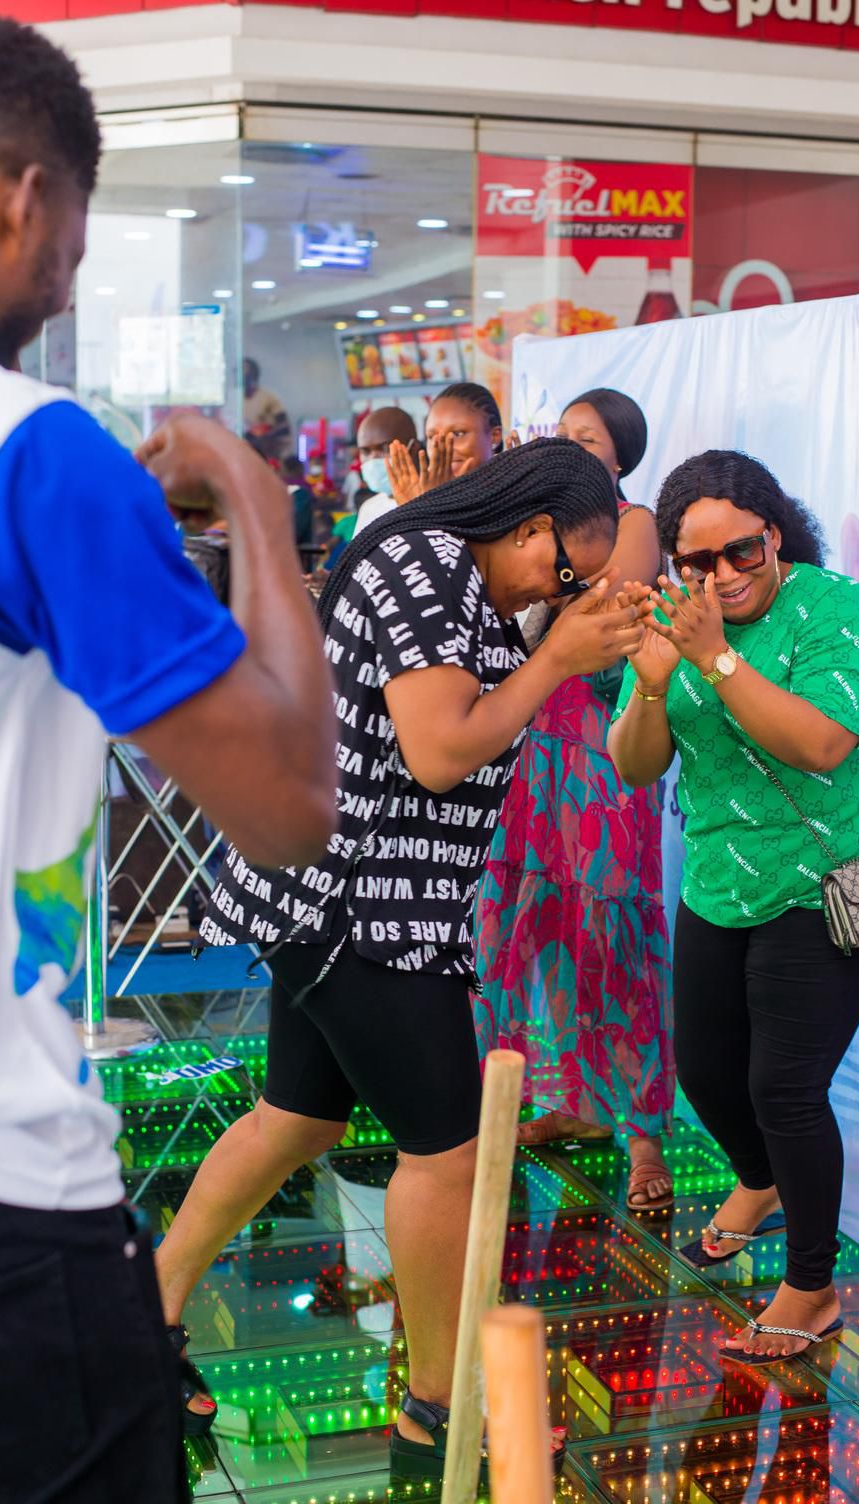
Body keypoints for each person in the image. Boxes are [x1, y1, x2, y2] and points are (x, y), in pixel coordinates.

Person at [0, 15, 337, 1501]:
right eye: (78, 225)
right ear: (28, 202)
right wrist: (251, 492)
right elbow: (290, 805)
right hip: (7, 1204)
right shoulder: (33, 454)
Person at [155, 438, 651, 1477]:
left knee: (295, 1118)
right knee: (449, 1152)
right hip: (361, 909)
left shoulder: (443, 565)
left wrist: (557, 640)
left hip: (335, 896)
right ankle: (436, 1396)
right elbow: (437, 749)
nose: (562, 593)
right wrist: (556, 656)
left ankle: (146, 1309)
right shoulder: (426, 566)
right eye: (565, 572)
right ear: (528, 528)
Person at [608, 449, 859, 1363]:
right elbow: (634, 763)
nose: (721, 577)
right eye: (696, 563)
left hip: (852, 877)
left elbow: (821, 744)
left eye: (740, 552)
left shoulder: (836, 607)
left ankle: (811, 1290)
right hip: (722, 881)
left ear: (772, 534)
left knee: (783, 1086)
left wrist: (715, 657)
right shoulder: (674, 621)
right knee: (706, 1074)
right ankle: (758, 1182)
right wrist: (659, 678)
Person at [475, 389, 674, 1211]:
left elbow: (603, 597)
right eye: (561, 438)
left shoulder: (636, 519)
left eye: (586, 440)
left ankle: (642, 1134)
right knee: (531, 919)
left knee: (613, 925)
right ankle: (562, 1100)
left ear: (620, 457)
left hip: (606, 741)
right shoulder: (533, 518)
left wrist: (552, 579)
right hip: (534, 741)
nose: (571, 449)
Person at [386, 381, 503, 501]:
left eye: (458, 434)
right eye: (432, 437)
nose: (442, 447)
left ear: (495, 435)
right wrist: (413, 508)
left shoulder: (511, 496)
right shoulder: (419, 496)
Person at [352, 405, 418, 535]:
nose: (373, 458)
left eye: (385, 448)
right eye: (365, 451)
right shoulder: (369, 509)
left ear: (413, 449)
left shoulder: (432, 505)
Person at [242, 356, 291, 462]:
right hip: (244, 453)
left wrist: (263, 437)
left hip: (267, 455)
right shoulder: (234, 399)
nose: (242, 377)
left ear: (254, 376)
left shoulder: (268, 397)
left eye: (246, 373)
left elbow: (284, 427)